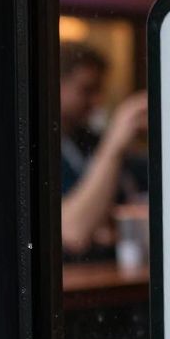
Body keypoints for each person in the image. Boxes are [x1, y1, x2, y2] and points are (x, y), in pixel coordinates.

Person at [59, 42, 148, 256]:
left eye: (99, 91)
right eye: (86, 90)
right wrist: (114, 145)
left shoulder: (90, 140)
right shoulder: (31, 149)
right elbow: (73, 232)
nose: (96, 101)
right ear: (55, 85)